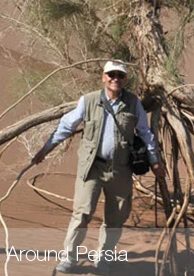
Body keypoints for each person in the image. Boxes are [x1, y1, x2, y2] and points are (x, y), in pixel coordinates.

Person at [32, 60, 166, 274]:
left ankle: (104, 259)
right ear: (104, 77)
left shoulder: (133, 103)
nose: (115, 79)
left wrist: (155, 161)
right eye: (111, 74)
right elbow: (66, 126)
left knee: (115, 219)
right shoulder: (89, 100)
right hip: (91, 168)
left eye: (120, 75)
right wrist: (46, 149)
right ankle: (69, 258)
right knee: (81, 214)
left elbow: (145, 133)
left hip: (120, 169)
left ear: (125, 80)